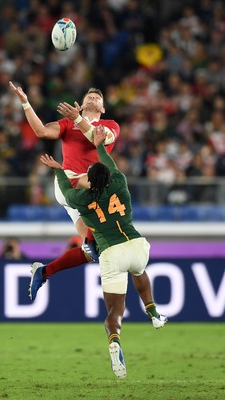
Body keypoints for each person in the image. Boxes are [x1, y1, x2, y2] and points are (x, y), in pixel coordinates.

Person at [31, 126, 167, 379]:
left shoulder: (81, 200)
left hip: (110, 254)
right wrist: (100, 146)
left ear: (90, 180)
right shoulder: (120, 183)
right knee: (139, 271)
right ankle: (153, 312)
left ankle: (114, 341)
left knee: (114, 313)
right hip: (136, 245)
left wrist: (59, 169)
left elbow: (68, 191)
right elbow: (108, 163)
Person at [9, 81, 119, 266]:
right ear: (82, 105)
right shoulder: (68, 123)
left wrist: (79, 119)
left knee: (99, 250)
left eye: (97, 97)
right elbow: (41, 131)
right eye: (89, 96)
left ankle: (56, 265)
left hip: (85, 192)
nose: (93, 97)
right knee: (99, 183)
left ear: (103, 108)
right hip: (69, 182)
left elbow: (97, 138)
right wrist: (26, 103)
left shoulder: (110, 125)